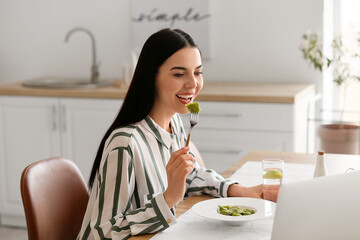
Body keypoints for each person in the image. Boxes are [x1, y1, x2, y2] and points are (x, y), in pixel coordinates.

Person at [77, 28, 264, 240]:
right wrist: (167, 200)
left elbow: (188, 177)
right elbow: (104, 231)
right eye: (179, 74)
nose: (193, 84)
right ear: (151, 76)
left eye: (197, 72)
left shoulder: (173, 122)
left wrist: (234, 190)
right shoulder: (126, 144)